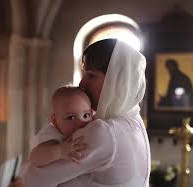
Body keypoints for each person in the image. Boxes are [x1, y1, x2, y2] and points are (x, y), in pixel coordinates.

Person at [21, 39, 151, 187]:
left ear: (115, 80)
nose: (82, 83)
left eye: (91, 75)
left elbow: (32, 179)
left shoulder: (104, 132)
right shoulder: (134, 120)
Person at [29, 86, 92, 167]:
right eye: (71, 117)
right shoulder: (53, 135)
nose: (81, 123)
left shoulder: (91, 128)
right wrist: (60, 151)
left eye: (86, 115)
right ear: (56, 122)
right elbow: (34, 158)